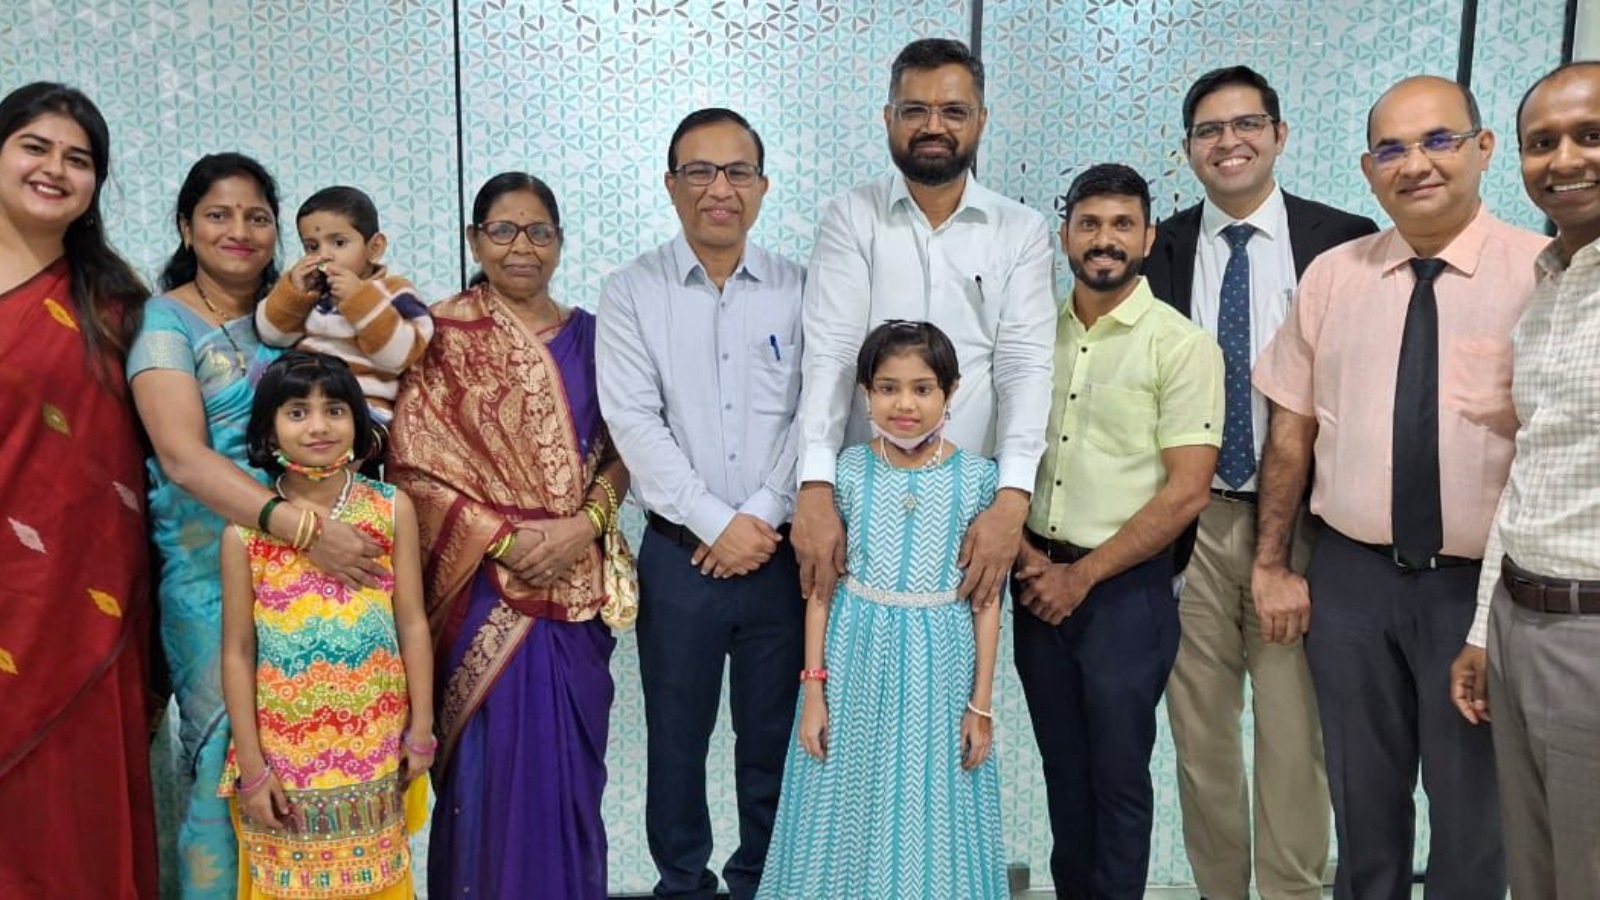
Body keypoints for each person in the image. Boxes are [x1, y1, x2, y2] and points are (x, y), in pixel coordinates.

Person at [1251, 76, 1546, 900]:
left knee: (1474, 818)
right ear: (1368, 169)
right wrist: (1271, 563)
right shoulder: (1333, 277)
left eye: (1439, 140)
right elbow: (1291, 431)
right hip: (1352, 582)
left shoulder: (1542, 274)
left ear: (1484, 149)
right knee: (1362, 807)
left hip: (1481, 591)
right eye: (1392, 149)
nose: (1416, 164)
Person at [1142, 65, 1377, 900]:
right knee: (1200, 741)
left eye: (1247, 124)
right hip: (1191, 526)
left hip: (1303, 529)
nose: (1229, 142)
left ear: (1279, 134)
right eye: (1209, 130)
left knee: (1292, 738)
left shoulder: (1344, 243)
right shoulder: (1159, 249)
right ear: (1188, 150)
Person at [129, 153, 384, 899]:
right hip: (211, 576)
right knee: (224, 766)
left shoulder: (305, 318)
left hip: (317, 577)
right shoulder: (163, 323)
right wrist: (303, 528)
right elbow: (183, 459)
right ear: (186, 226)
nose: (239, 230)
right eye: (218, 214)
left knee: (318, 751)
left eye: (257, 216)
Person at [390, 171, 628, 900]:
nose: (521, 247)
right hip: (481, 594)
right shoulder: (439, 335)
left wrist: (584, 526)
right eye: (502, 230)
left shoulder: (596, 338)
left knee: (570, 784)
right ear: (475, 239)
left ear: (559, 242)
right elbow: (412, 465)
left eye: (539, 232)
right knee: (488, 784)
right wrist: (500, 538)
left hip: (575, 589)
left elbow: (626, 452)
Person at [597, 107, 805, 900]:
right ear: (671, 184)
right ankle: (682, 884)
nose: (720, 189)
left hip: (778, 554)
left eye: (737, 171)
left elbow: (815, 413)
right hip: (678, 555)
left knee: (774, 739)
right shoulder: (631, 292)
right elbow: (633, 423)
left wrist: (760, 517)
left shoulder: (801, 288)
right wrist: (717, 525)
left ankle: (763, 882)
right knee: (676, 741)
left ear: (762, 186)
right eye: (700, 171)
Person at [1012, 163, 1222, 900]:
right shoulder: (1032, 334)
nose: (1105, 240)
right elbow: (1002, 453)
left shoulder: (1181, 345)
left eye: (1122, 224)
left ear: (1149, 237)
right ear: (1065, 234)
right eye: (1090, 224)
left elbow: (1188, 491)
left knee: (1118, 779)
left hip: (1124, 597)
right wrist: (1028, 558)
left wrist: (1082, 576)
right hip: (1034, 584)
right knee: (1063, 775)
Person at [793, 37, 1054, 613]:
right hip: (860, 499)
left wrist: (1011, 500)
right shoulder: (851, 217)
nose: (934, 126)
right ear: (889, 118)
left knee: (956, 655)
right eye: (915, 110)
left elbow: (1024, 368)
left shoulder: (1020, 231)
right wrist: (814, 485)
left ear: (981, 120)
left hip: (972, 507)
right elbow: (832, 354)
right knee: (853, 649)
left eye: (953, 111)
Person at [757, 320, 1006, 900]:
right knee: (845, 802)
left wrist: (981, 705)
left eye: (922, 388)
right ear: (866, 393)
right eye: (888, 388)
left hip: (941, 672)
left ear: (951, 391)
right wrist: (814, 691)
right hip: (854, 663)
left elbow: (987, 602)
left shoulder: (978, 479)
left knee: (933, 805)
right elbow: (821, 592)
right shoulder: (843, 473)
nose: (905, 404)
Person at [0, 81, 157, 900]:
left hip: (81, 601)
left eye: (79, 158)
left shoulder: (117, 308)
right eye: (35, 147)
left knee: (71, 818)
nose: (54, 169)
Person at [1448, 60, 1600, 899]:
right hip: (1520, 618)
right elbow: (1530, 468)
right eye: (1544, 143)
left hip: (1591, 630)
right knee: (1536, 871)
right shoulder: (1549, 288)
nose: (1565, 160)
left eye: (1590, 135)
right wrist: (1484, 629)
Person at [218, 351, 433, 900]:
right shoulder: (245, 532)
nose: (318, 426)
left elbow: (412, 623)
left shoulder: (390, 509)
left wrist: (421, 730)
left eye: (334, 410)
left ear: (357, 423)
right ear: (269, 430)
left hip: (376, 748)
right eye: (297, 412)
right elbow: (238, 652)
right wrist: (252, 767)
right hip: (284, 759)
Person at [255, 185, 433, 464]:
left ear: (374, 247)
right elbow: (272, 335)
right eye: (312, 246)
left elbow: (398, 356)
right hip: (307, 403)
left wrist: (359, 300)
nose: (324, 255)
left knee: (349, 455)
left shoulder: (394, 292)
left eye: (338, 243)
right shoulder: (312, 293)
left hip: (367, 408)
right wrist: (294, 292)